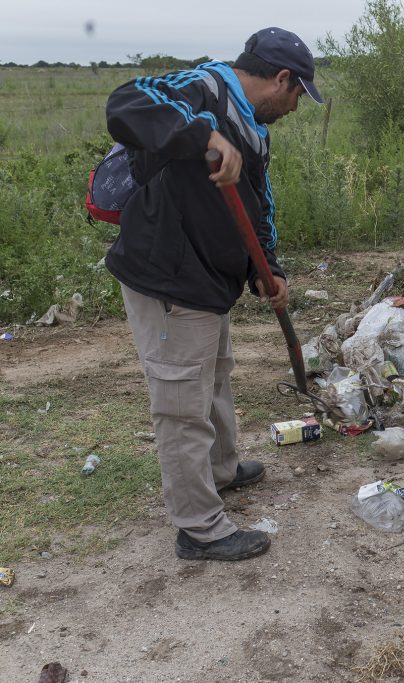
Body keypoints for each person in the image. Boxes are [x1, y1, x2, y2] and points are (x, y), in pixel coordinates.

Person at [104, 27, 323, 561]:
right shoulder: (203, 88)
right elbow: (125, 103)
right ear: (282, 78)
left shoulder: (253, 129)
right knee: (182, 404)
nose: (295, 108)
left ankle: (222, 471)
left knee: (215, 377)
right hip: (169, 277)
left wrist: (267, 270)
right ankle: (198, 527)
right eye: (298, 96)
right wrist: (204, 134)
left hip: (208, 282)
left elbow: (258, 204)